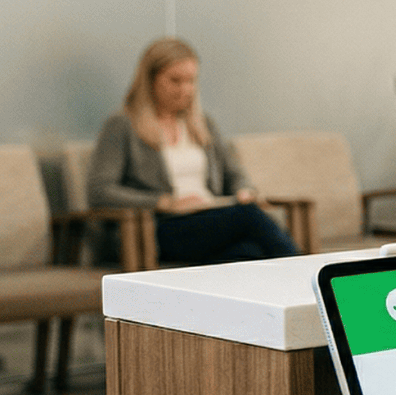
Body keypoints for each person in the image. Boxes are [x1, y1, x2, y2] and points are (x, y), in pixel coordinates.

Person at [88, 38, 300, 265]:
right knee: (249, 217)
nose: (185, 90)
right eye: (175, 81)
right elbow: (101, 191)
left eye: (191, 81)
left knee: (250, 252)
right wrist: (165, 202)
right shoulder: (122, 125)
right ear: (150, 80)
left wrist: (243, 190)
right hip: (161, 227)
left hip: (210, 220)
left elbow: (234, 174)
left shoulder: (203, 124)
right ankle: (309, 278)